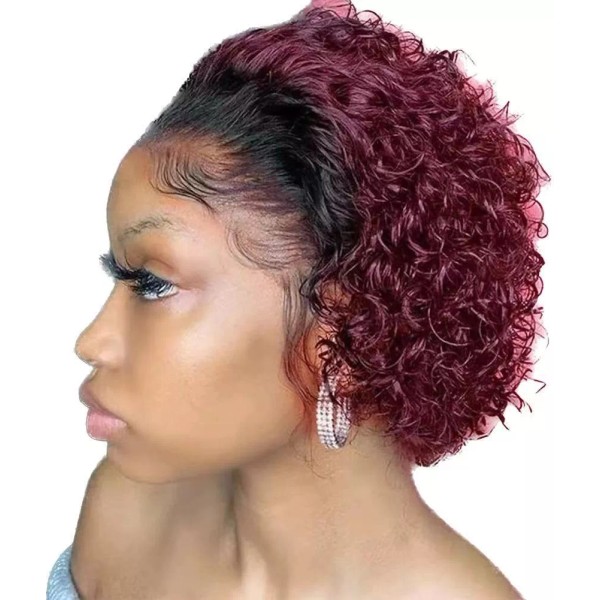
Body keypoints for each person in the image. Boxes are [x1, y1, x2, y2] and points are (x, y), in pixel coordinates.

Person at [47, 0, 549, 598]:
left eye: (153, 283)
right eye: (119, 276)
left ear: (340, 326)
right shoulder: (127, 518)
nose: (92, 342)